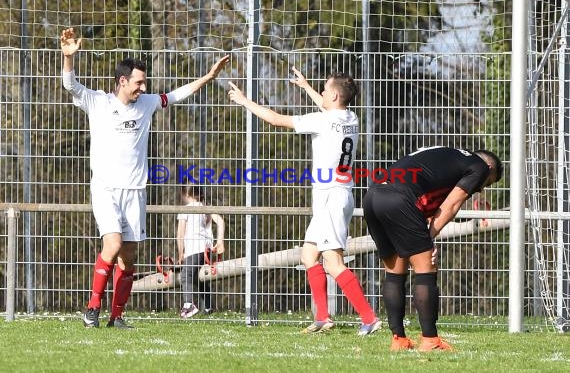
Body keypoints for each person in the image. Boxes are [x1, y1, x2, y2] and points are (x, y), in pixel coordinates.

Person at [60, 27, 229, 329]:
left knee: (129, 257)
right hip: (106, 189)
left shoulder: (147, 103)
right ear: (122, 81)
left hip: (135, 191)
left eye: (145, 83)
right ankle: (92, 308)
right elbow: (70, 85)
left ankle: (117, 315)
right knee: (111, 246)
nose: (142, 87)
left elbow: (178, 94)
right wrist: (68, 58)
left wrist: (210, 77)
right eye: (138, 82)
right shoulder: (98, 102)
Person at [228, 68, 381, 335]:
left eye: (324, 89)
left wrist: (244, 101)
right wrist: (306, 86)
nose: (320, 93)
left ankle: (369, 318)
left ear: (333, 95)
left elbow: (275, 119)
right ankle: (323, 317)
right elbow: (327, 106)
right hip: (338, 195)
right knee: (309, 255)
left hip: (331, 197)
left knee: (333, 263)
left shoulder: (322, 121)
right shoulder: (351, 117)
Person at [362, 146, 503, 351]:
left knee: (394, 272)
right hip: (399, 198)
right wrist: (427, 239)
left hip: (373, 196)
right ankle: (430, 340)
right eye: (488, 182)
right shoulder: (479, 166)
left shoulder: (448, 155)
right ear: (488, 166)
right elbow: (451, 205)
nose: (481, 189)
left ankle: (399, 340)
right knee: (425, 269)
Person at [176, 185, 225, 318]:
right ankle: (208, 307)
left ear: (185, 194)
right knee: (200, 278)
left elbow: (180, 233)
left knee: (186, 275)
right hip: (206, 250)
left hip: (193, 248)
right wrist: (220, 241)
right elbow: (220, 221)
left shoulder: (185, 210)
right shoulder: (206, 207)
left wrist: (181, 253)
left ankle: (188, 304)